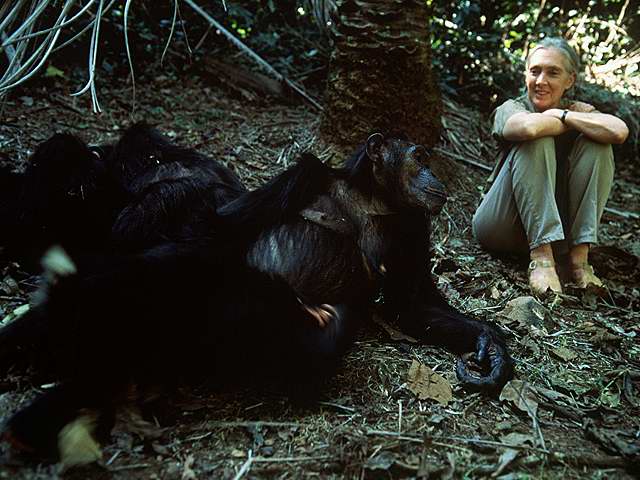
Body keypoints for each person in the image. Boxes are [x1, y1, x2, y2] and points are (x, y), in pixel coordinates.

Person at [472, 37, 629, 295]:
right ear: (526, 75)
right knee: (537, 138)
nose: (541, 81)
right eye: (535, 71)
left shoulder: (573, 110)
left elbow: (619, 131)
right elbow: (527, 127)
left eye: (553, 73)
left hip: (560, 235)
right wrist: (569, 120)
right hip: (502, 224)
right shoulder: (512, 107)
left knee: (599, 146)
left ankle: (579, 260)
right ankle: (542, 259)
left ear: (570, 80)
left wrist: (563, 114)